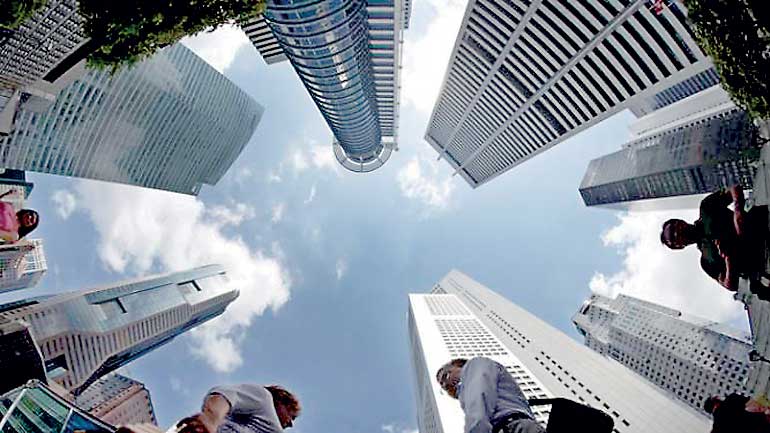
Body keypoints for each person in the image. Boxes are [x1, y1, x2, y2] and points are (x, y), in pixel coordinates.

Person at [660, 185, 767, 292]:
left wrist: (738, 210)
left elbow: (734, 188)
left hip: (762, 226)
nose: (677, 233)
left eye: (674, 227)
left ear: (680, 221)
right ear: (679, 246)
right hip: (762, 262)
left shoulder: (706, 207)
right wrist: (728, 260)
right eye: (673, 238)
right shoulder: (706, 262)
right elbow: (729, 285)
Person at [436, 357, 544, 433]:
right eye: (443, 386)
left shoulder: (474, 366)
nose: (446, 384)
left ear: (459, 365)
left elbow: (478, 408)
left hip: (511, 427)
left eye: (446, 375)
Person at [176, 384, 300, 433]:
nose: (290, 423)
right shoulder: (264, 398)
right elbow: (225, 397)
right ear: (280, 401)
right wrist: (209, 420)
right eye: (291, 415)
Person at [704, 394, 769, 433]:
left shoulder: (717, 427)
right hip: (763, 423)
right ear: (715, 402)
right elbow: (754, 404)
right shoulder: (731, 399)